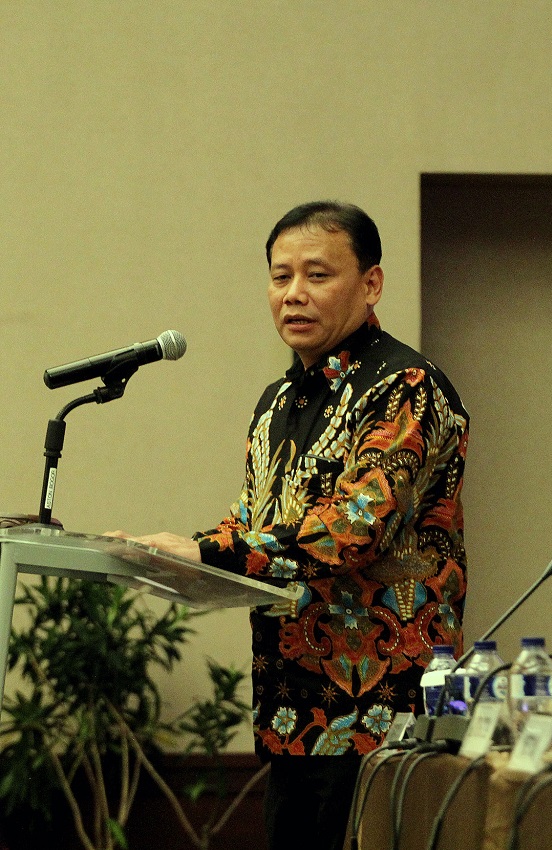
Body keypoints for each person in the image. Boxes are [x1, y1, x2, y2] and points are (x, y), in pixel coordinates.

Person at [112, 201, 468, 850]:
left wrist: (208, 552)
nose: (293, 294)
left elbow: (353, 527)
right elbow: (252, 522)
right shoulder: (278, 401)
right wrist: (172, 555)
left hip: (383, 716)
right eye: (280, 277)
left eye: (317, 275)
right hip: (290, 710)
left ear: (371, 284)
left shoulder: (405, 386)